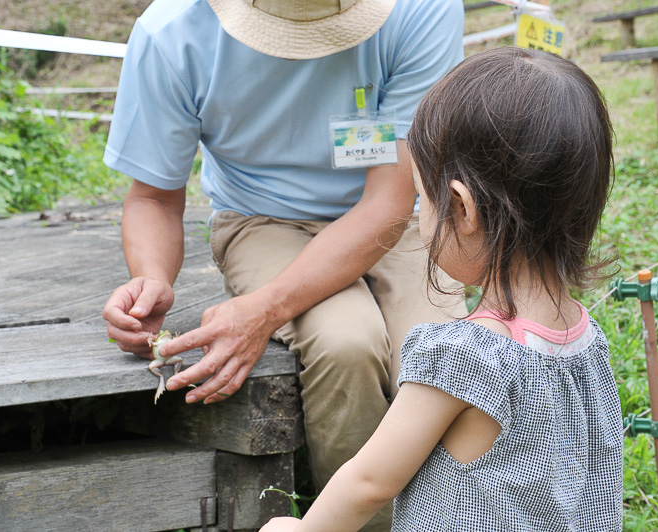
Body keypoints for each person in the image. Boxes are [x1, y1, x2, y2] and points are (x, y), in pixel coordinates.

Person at [101, 1, 467, 529]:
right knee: (345, 343)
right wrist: (152, 279)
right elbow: (154, 196)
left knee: (441, 351)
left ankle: (459, 515)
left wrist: (263, 311)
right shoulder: (172, 33)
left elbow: (387, 203)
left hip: (398, 215)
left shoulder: (421, 9)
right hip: (262, 219)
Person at [260, 46, 624, 532]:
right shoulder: (588, 344)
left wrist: (300, 529)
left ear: (461, 207)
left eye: (420, 198)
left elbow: (371, 482)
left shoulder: (464, 357)